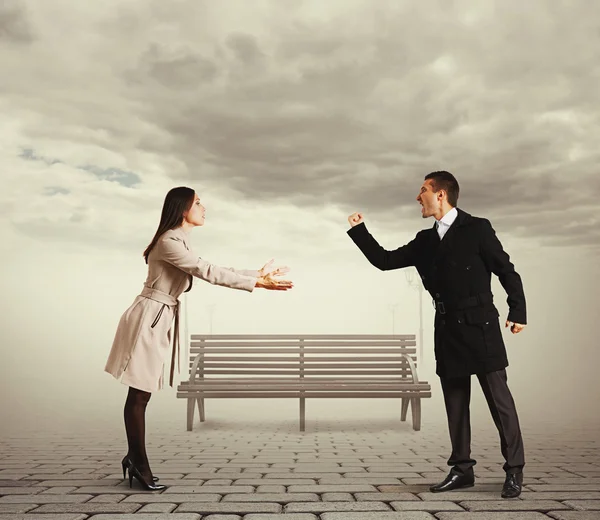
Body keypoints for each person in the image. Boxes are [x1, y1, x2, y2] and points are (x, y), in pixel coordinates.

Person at [346, 171, 526, 499]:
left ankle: (514, 470)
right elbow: (385, 261)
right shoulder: (425, 242)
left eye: (423, 191)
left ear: (441, 194)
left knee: (500, 402)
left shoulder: (477, 228)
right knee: (456, 404)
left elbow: (506, 269)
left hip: (481, 325)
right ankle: (462, 470)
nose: (418, 197)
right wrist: (359, 230)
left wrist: (518, 311)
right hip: (447, 329)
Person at [104, 186, 293, 491]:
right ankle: (138, 462)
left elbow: (212, 266)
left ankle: (133, 457)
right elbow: (205, 270)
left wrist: (255, 274)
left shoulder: (178, 240)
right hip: (148, 319)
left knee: (141, 393)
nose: (204, 208)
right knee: (139, 393)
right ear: (182, 209)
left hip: (156, 316)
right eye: (198, 203)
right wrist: (257, 283)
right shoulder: (169, 242)